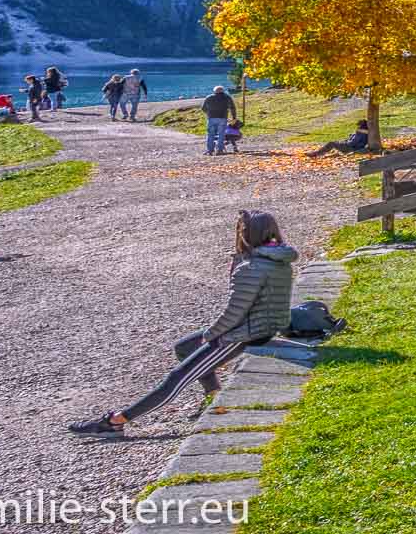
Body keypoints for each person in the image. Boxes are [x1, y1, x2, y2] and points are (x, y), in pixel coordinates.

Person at [69, 211, 297, 436]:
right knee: (184, 347)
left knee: (176, 379)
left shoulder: (251, 267)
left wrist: (210, 335)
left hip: (243, 334)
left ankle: (115, 421)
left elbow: (234, 313)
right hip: (260, 326)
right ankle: (214, 395)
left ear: (246, 234)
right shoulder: (277, 258)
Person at [200, 85, 238, 156]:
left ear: (214, 91)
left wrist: (208, 113)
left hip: (211, 118)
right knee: (221, 134)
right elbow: (232, 108)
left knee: (210, 134)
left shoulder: (209, 97)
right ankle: (220, 150)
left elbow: (203, 108)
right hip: (222, 118)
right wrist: (234, 117)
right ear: (223, 91)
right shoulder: (227, 97)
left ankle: (210, 150)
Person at [305, 118, 371, 158]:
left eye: (358, 125)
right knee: (335, 144)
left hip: (351, 148)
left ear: (361, 126)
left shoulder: (361, 133)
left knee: (331, 143)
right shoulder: (362, 133)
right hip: (353, 147)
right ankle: (321, 153)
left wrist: (343, 142)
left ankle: (316, 154)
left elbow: (352, 143)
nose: (357, 127)